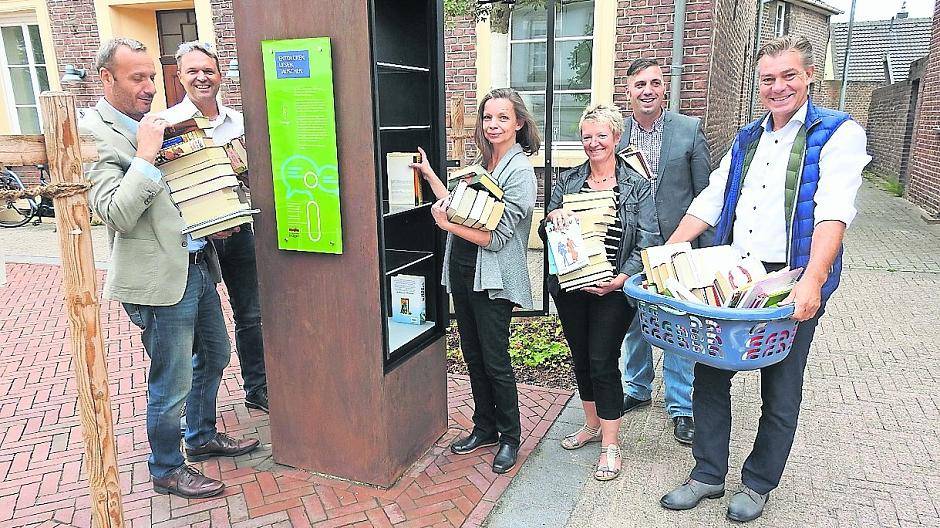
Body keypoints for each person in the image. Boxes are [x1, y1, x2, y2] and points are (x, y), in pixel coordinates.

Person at [659, 36, 869, 522]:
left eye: (789, 76)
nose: (778, 87)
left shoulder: (838, 132)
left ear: (809, 76)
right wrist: (667, 252)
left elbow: (833, 212)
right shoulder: (747, 137)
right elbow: (712, 198)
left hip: (791, 276)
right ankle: (708, 473)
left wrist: (812, 282)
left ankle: (758, 483)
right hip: (736, 272)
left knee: (781, 383)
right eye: (769, 79)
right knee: (710, 375)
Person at [81, 38, 260, 499]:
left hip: (198, 261)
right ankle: (165, 467)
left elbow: (177, 194)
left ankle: (199, 438)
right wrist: (143, 156)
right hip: (158, 280)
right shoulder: (94, 133)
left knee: (216, 354)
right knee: (171, 378)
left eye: (151, 78)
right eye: (137, 78)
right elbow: (114, 214)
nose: (148, 87)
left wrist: (213, 221)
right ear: (108, 78)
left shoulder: (155, 122)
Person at [412, 88, 538, 474]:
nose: (493, 124)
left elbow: (497, 237)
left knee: (496, 360)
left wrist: (446, 224)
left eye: (502, 117)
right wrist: (431, 175)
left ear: (518, 122)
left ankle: (510, 437)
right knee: (473, 354)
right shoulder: (484, 162)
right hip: (465, 271)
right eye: (487, 118)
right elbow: (458, 205)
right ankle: (484, 427)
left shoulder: (520, 172)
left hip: (493, 278)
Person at [542, 104, 661, 481]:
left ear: (616, 137)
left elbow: (648, 239)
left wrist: (623, 277)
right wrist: (552, 219)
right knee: (581, 357)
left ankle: (611, 445)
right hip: (572, 286)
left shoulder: (636, 184)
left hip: (613, 289)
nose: (593, 143)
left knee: (602, 359)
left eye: (601, 136)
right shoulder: (569, 180)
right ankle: (592, 426)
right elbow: (548, 226)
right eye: (587, 137)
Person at [162, 41, 269, 413]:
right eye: (192, 71)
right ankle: (196, 412)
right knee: (198, 328)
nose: (202, 77)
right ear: (180, 77)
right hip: (196, 242)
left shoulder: (241, 122)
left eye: (208, 70)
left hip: (239, 232)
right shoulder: (168, 125)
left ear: (220, 76)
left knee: (251, 314)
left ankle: (258, 388)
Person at [615, 58, 712, 445]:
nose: (648, 90)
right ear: (628, 91)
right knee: (633, 320)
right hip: (633, 245)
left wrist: (704, 249)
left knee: (677, 325)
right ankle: (637, 388)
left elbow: (706, 193)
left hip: (678, 245)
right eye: (640, 84)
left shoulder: (689, 131)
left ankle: (681, 407)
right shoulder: (616, 133)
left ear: (664, 88)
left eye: (655, 83)